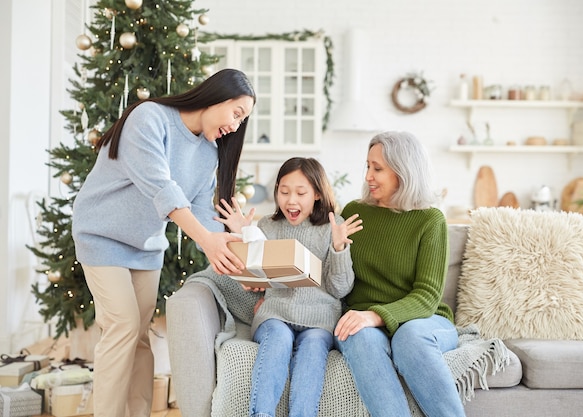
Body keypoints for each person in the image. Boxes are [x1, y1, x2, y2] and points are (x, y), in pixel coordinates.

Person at [71, 68, 256, 417]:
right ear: (217, 95)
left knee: (139, 336)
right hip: (101, 236)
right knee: (123, 326)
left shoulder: (208, 152)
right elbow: (163, 190)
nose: (235, 125)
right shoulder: (150, 118)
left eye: (241, 120)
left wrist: (232, 257)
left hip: (146, 246)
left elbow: (201, 213)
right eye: (236, 113)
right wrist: (209, 242)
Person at [215, 157, 362, 417]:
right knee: (279, 337)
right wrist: (244, 236)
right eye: (284, 192)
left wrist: (339, 249)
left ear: (317, 194)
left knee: (314, 345)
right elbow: (254, 277)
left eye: (300, 193)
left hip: (319, 321)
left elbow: (340, 289)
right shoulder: (267, 226)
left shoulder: (333, 228)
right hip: (276, 314)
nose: (290, 201)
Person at [334, 131, 466, 417]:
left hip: (423, 319)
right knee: (359, 336)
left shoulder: (430, 220)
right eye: (367, 166)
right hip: (362, 319)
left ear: (404, 171)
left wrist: (375, 315)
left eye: (377, 168)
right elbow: (336, 278)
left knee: (409, 338)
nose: (368, 175)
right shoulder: (355, 212)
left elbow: (427, 297)